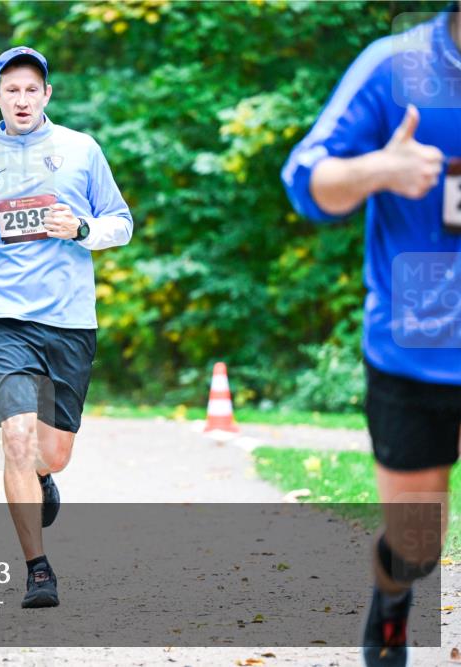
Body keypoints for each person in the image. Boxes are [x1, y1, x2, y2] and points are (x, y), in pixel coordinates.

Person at [281, 6, 460, 665]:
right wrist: (380, 169)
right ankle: (392, 602)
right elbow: (306, 181)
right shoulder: (395, 67)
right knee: (415, 544)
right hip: (416, 353)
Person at [0, 46, 133, 608]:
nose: (22, 98)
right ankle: (38, 569)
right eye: (11, 89)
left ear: (47, 95)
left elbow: (121, 224)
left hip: (70, 319)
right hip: (5, 318)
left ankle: (45, 477)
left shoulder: (81, 150)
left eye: (31, 89)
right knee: (16, 438)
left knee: (53, 452)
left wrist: (81, 227)